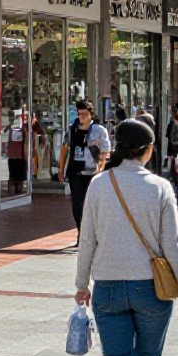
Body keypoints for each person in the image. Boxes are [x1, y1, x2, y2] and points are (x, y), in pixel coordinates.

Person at [74, 119, 178, 356]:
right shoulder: (159, 187)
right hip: (151, 288)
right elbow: (172, 242)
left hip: (108, 285)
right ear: (147, 149)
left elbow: (87, 241)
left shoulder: (98, 185)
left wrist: (82, 285)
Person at [58, 100, 111, 247]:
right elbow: (64, 150)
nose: (82, 117)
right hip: (75, 171)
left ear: (90, 114)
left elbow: (105, 151)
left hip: (92, 172)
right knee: (77, 205)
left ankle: (93, 234)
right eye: (80, 113)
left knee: (92, 204)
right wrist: (61, 169)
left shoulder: (99, 130)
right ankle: (82, 233)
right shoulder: (72, 129)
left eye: (85, 114)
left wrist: (100, 168)